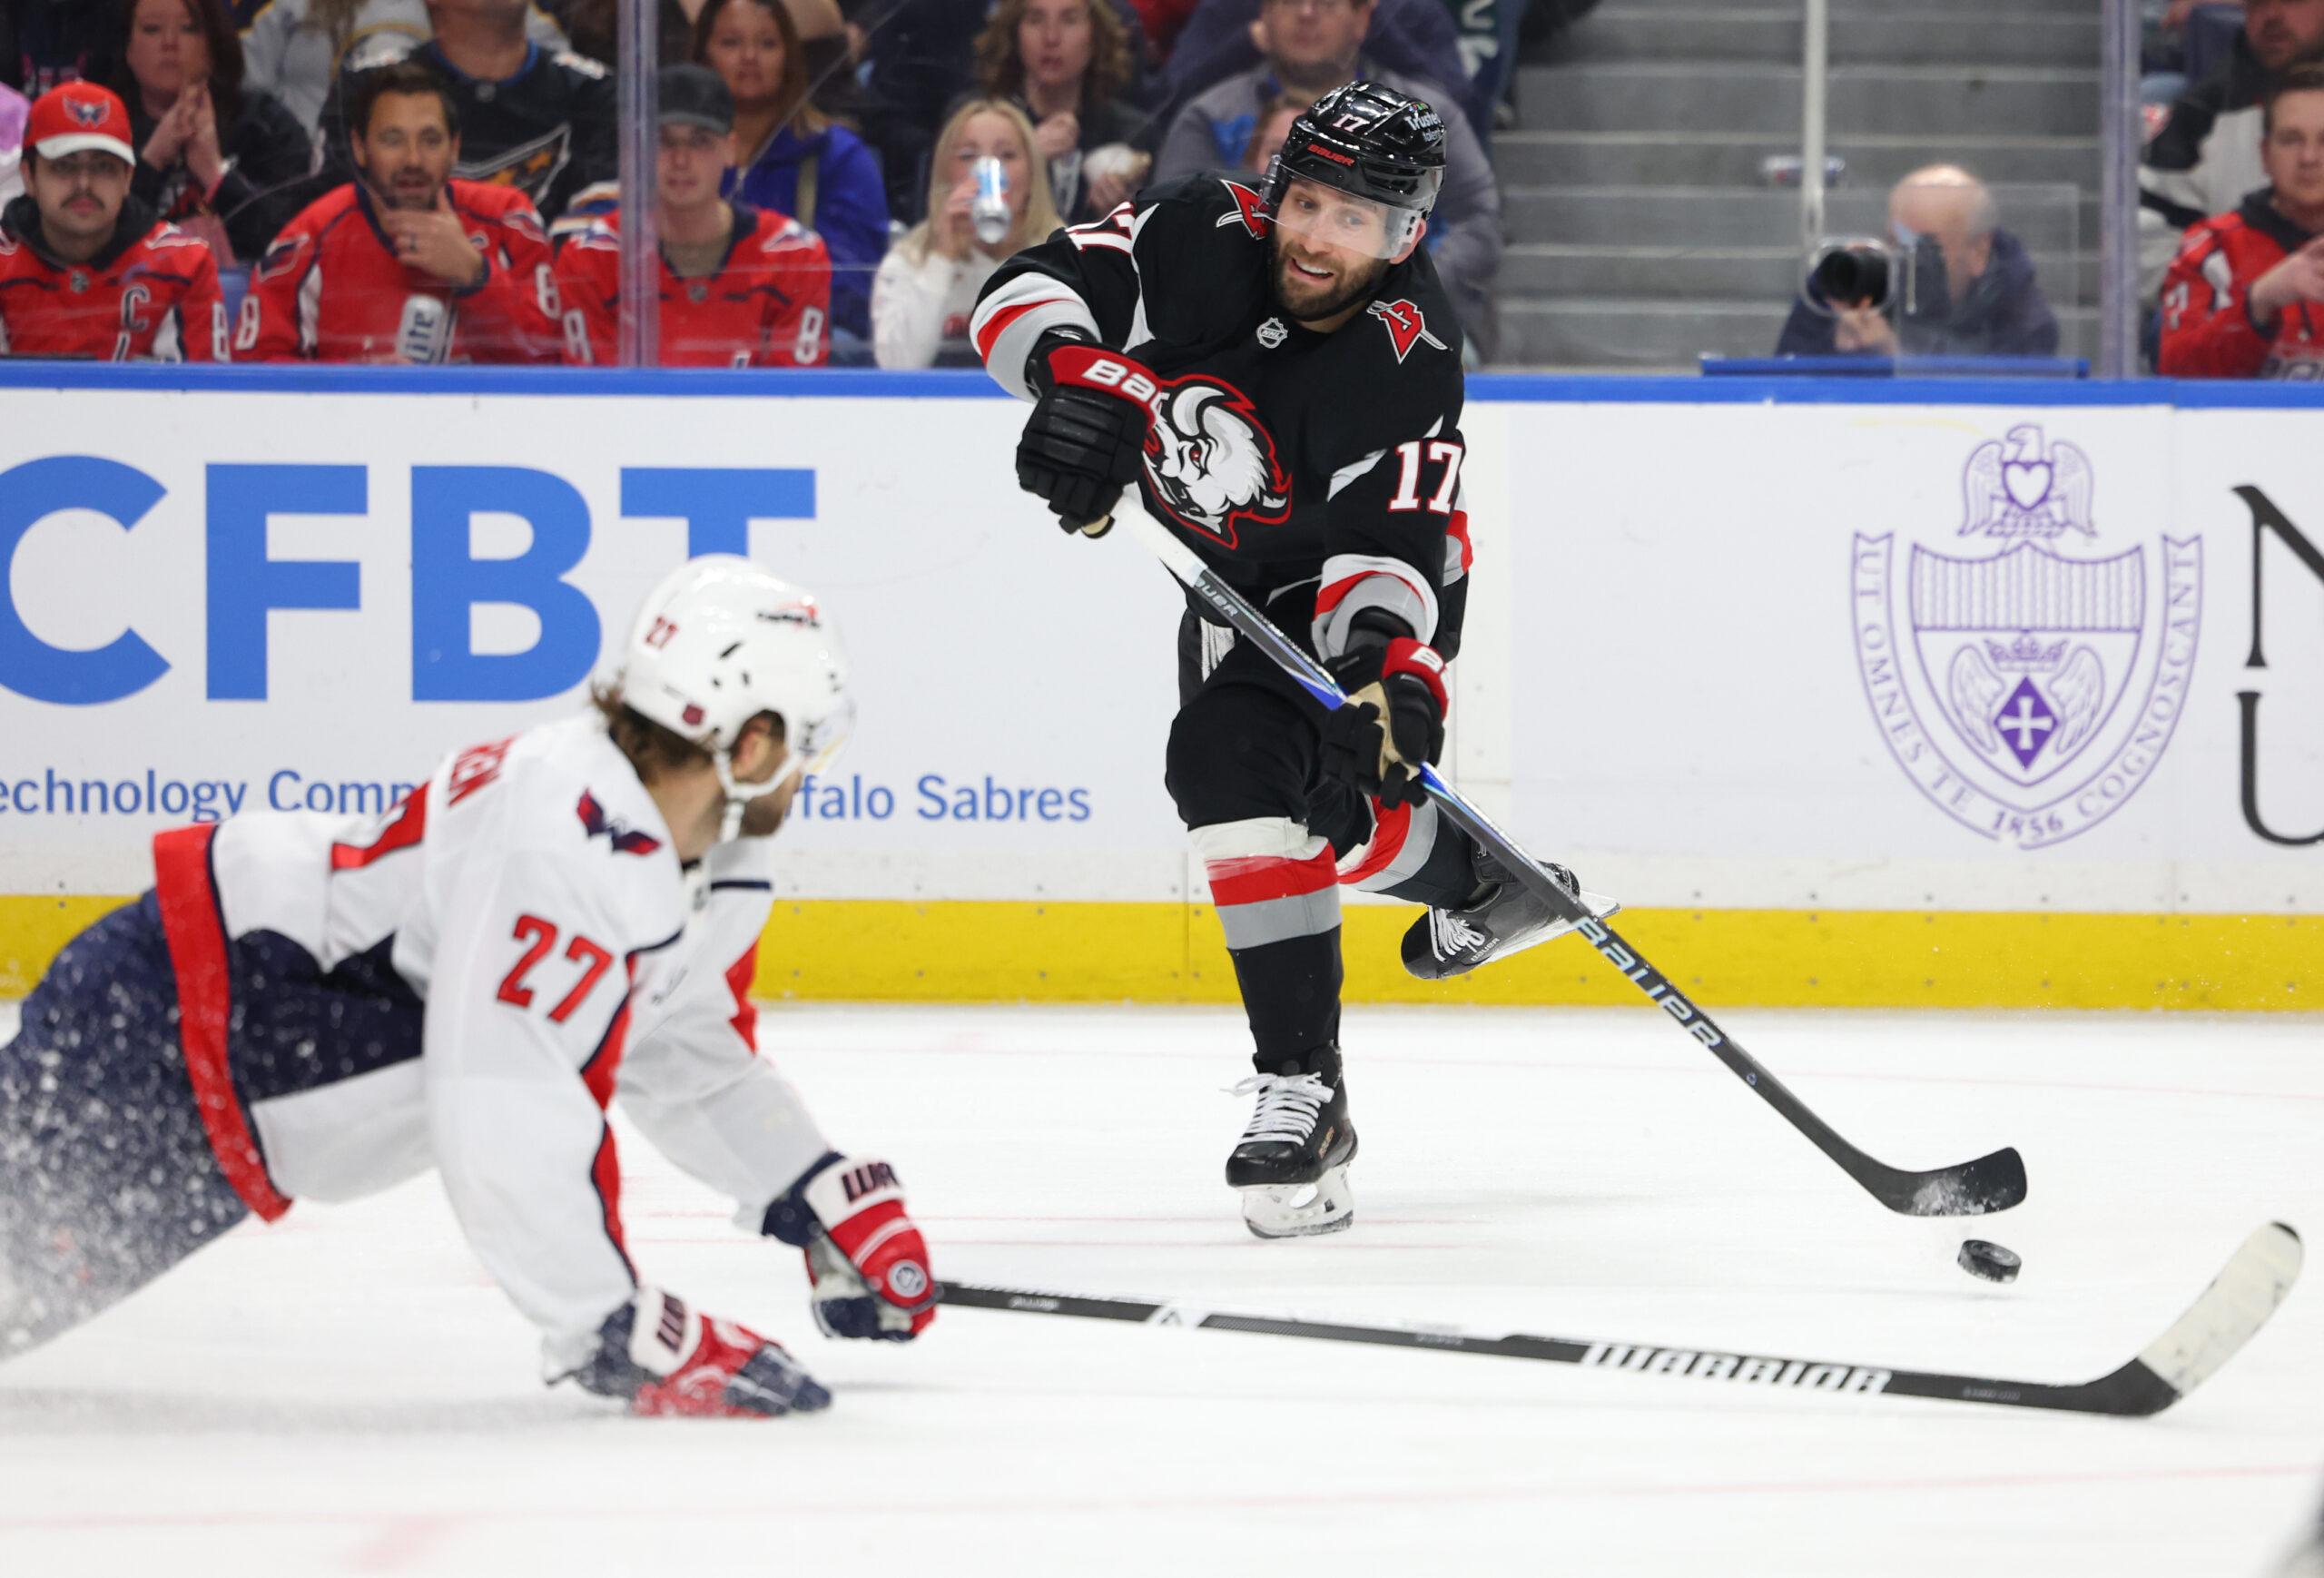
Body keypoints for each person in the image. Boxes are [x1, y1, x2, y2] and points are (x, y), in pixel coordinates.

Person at [0, 554, 939, 1417]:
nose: (809, 775)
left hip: (234, 1071)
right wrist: (614, 1325)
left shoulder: (700, 855)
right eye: (806, 747)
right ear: (750, 742)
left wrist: (813, 1184)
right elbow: (502, 1099)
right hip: (178, 1022)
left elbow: (681, 1045)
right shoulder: (561, 833)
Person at [972, 82, 1611, 1238]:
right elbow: (1022, 291)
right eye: (1307, 201)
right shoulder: (1199, 231)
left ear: (1407, 233)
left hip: (1353, 595)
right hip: (1222, 579)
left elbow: (1392, 551)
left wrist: (1383, 677)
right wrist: (1076, 374)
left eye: (1356, 219)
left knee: (1241, 766)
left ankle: (1304, 1092)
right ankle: (1469, 880)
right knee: (1266, 797)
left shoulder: (1408, 357)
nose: (1318, 237)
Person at [1153, 0, 1501, 357]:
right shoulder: (1209, 116)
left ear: (1363, 19)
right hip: (1237, 323)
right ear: (1264, 15)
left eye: (1326, 3)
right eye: (1289, 2)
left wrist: (1393, 295)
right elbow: (1174, 228)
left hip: (1405, 320)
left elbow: (1478, 222)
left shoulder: (1428, 121)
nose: (1306, 14)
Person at [238, 57, 558, 360]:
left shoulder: (507, 221)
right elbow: (252, 375)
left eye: (431, 140)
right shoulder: (311, 240)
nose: (413, 160)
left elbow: (554, 363)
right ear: (360, 149)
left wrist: (476, 275)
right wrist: (361, 380)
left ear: (455, 148)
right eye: (393, 140)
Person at [557, 64, 832, 366]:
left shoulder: (794, 256)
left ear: (730, 150)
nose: (681, 160)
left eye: (700, 141)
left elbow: (790, 403)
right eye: (663, 141)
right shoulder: (591, 257)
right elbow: (595, 402)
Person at [312, 0, 615, 232]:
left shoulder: (594, 91)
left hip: (545, 306)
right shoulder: (367, 87)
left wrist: (484, 279)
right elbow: (332, 234)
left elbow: (593, 254)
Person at [694, 0, 884, 341]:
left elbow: (852, 281)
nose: (749, 56)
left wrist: (750, 304)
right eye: (731, 43)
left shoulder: (839, 156)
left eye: (767, 43)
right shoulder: (673, 156)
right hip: (691, 327)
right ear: (704, 55)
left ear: (790, 58)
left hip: (799, 337)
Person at [0, 79, 225, 357]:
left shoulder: (184, 264)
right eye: (63, 167)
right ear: (29, 177)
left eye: (104, 167)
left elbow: (202, 395)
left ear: (127, 178)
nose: (83, 183)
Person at [1773, 165, 2060, 360]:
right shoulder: (1852, 288)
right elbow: (1785, 390)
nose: (1902, 262)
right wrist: (1838, 348)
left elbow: (2000, 407)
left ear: (1978, 252)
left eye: (1923, 249)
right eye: (1895, 242)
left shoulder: (2020, 309)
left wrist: (1894, 359)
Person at [107, 0, 310, 262]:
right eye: (152, 29)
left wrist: (216, 175)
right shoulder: (107, 131)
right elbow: (92, 245)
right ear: (128, 50)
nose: (169, 42)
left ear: (213, 47)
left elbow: (296, 238)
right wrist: (151, 161)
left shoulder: (264, 122)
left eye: (189, 28)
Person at [2144, 0, 2324, 291]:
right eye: (2257, 4)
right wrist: (2234, 291)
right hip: (2240, 318)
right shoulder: (2205, 109)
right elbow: (2145, 236)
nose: (2272, 15)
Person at [872, 96, 1061, 370]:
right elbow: (897, 367)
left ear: (1032, 175)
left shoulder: (1066, 253)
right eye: (967, 156)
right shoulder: (911, 258)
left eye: (1007, 155)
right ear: (945, 173)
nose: (987, 172)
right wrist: (942, 256)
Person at [2162, 64, 2324, 375]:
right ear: (2264, 155)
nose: (2309, 158)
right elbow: (2177, 375)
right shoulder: (2212, 245)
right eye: (2291, 140)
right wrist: (2259, 302)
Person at [238, 0, 571, 137]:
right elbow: (236, 89)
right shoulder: (284, 6)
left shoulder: (494, 6)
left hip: (461, 168)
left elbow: (558, 76)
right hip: (315, 178)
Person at [974, 0, 1152, 224]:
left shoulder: (1134, 133)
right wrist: (1024, 158)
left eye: (1069, 20)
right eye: (1035, 20)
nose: (1051, 37)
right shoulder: (977, 123)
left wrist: (1128, 218)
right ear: (1014, 31)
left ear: (1096, 32)